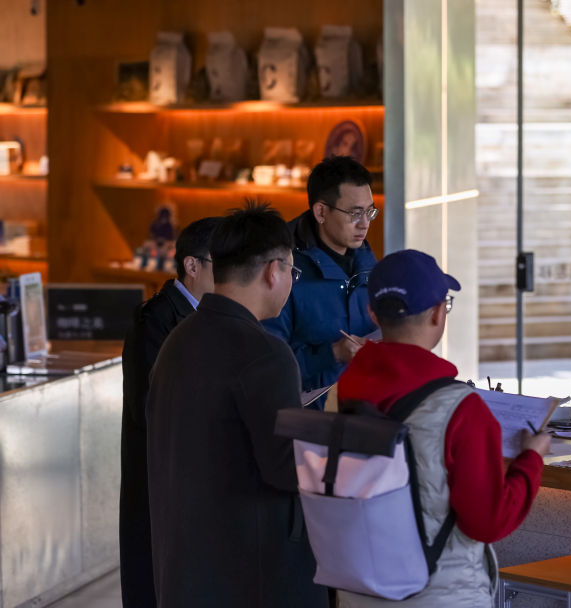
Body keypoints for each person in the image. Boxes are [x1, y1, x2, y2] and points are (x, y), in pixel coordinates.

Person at [336, 249, 550, 607]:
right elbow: (488, 521)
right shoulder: (460, 408)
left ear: (373, 313)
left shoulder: (344, 391)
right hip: (439, 593)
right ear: (438, 313)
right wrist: (530, 460)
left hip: (361, 588)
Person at [145, 202, 327, 608]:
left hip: (185, 568)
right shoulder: (266, 354)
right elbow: (287, 469)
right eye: (293, 272)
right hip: (253, 575)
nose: (291, 282)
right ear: (273, 271)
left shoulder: (177, 339)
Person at [119, 215, 219, 608]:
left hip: (190, 471)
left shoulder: (208, 316)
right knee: (156, 575)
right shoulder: (156, 320)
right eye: (222, 264)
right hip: (160, 470)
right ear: (192, 265)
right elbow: (150, 405)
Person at [263, 156, 378, 408]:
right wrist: (333, 353)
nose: (365, 223)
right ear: (321, 212)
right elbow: (267, 367)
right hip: (308, 421)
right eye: (355, 213)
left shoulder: (369, 264)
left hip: (366, 413)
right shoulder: (283, 270)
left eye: (370, 211)